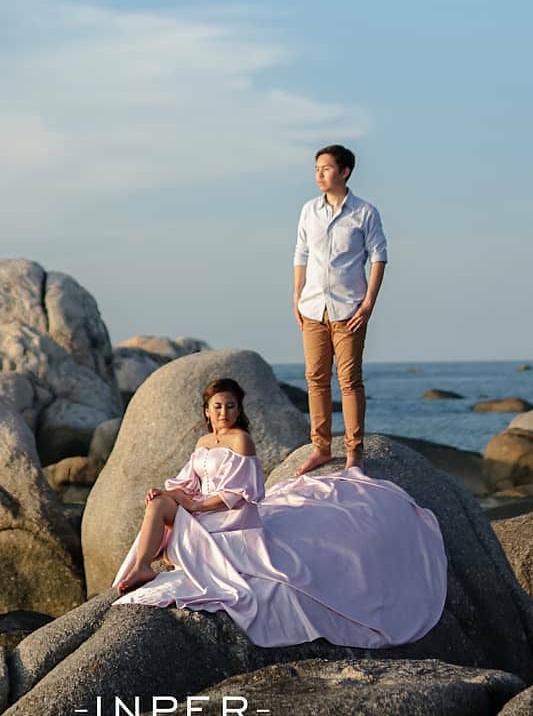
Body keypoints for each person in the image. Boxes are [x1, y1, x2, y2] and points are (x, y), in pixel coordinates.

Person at [112, 378, 447, 650]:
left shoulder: (241, 441)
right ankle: (142, 567)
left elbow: (241, 494)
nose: (224, 412)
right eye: (218, 407)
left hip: (231, 516)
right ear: (207, 410)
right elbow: (187, 483)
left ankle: (164, 556)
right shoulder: (203, 441)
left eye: (230, 406)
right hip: (202, 509)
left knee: (180, 515)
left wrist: (197, 506)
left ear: (239, 409)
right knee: (157, 503)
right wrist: (168, 494)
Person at [293, 144, 388, 476]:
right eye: (317, 168)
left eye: (326, 168)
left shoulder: (365, 212)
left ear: (344, 172)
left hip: (350, 308)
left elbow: (379, 256)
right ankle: (320, 448)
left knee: (349, 380)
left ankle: (354, 453)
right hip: (313, 306)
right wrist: (296, 296)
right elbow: (301, 253)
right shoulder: (308, 210)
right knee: (316, 379)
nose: (319, 174)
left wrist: (369, 302)